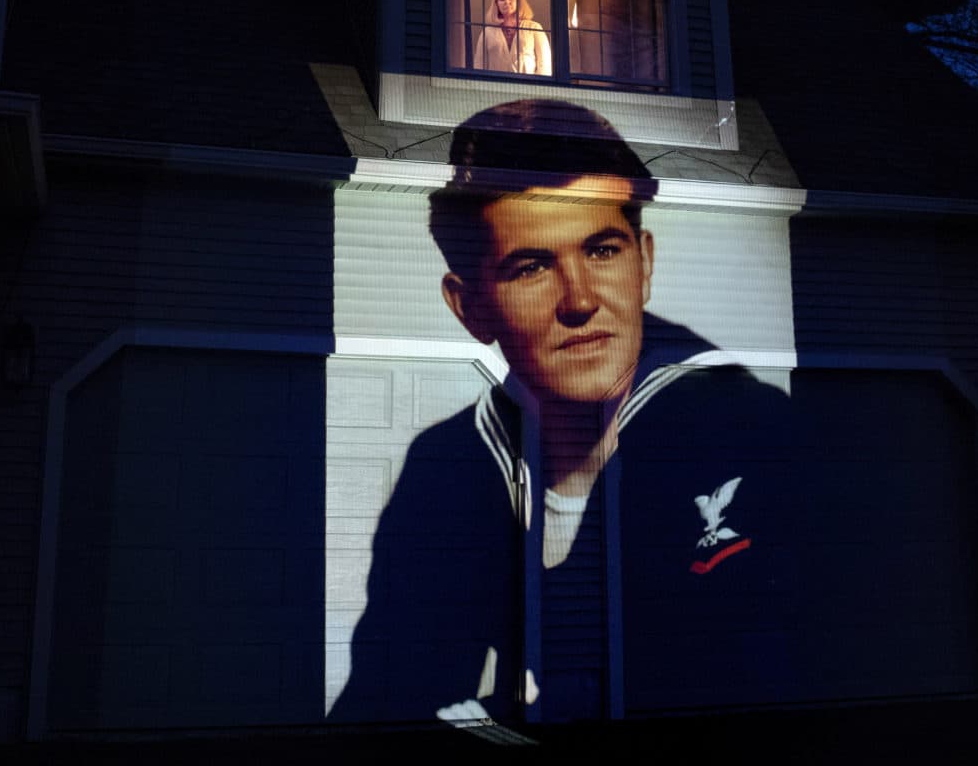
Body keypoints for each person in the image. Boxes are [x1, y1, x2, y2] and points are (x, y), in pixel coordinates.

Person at [330, 100, 791, 725]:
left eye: (602, 252)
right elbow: (400, 688)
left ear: (644, 262)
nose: (579, 300)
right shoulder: (447, 465)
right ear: (469, 308)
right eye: (532, 267)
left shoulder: (750, 434)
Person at [472, 0, 551, 77]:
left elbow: (544, 63)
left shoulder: (534, 28)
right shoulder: (487, 33)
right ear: (496, 4)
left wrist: (538, 87)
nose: (507, 2)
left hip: (529, 87)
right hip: (495, 88)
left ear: (518, 1)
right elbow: (479, 65)